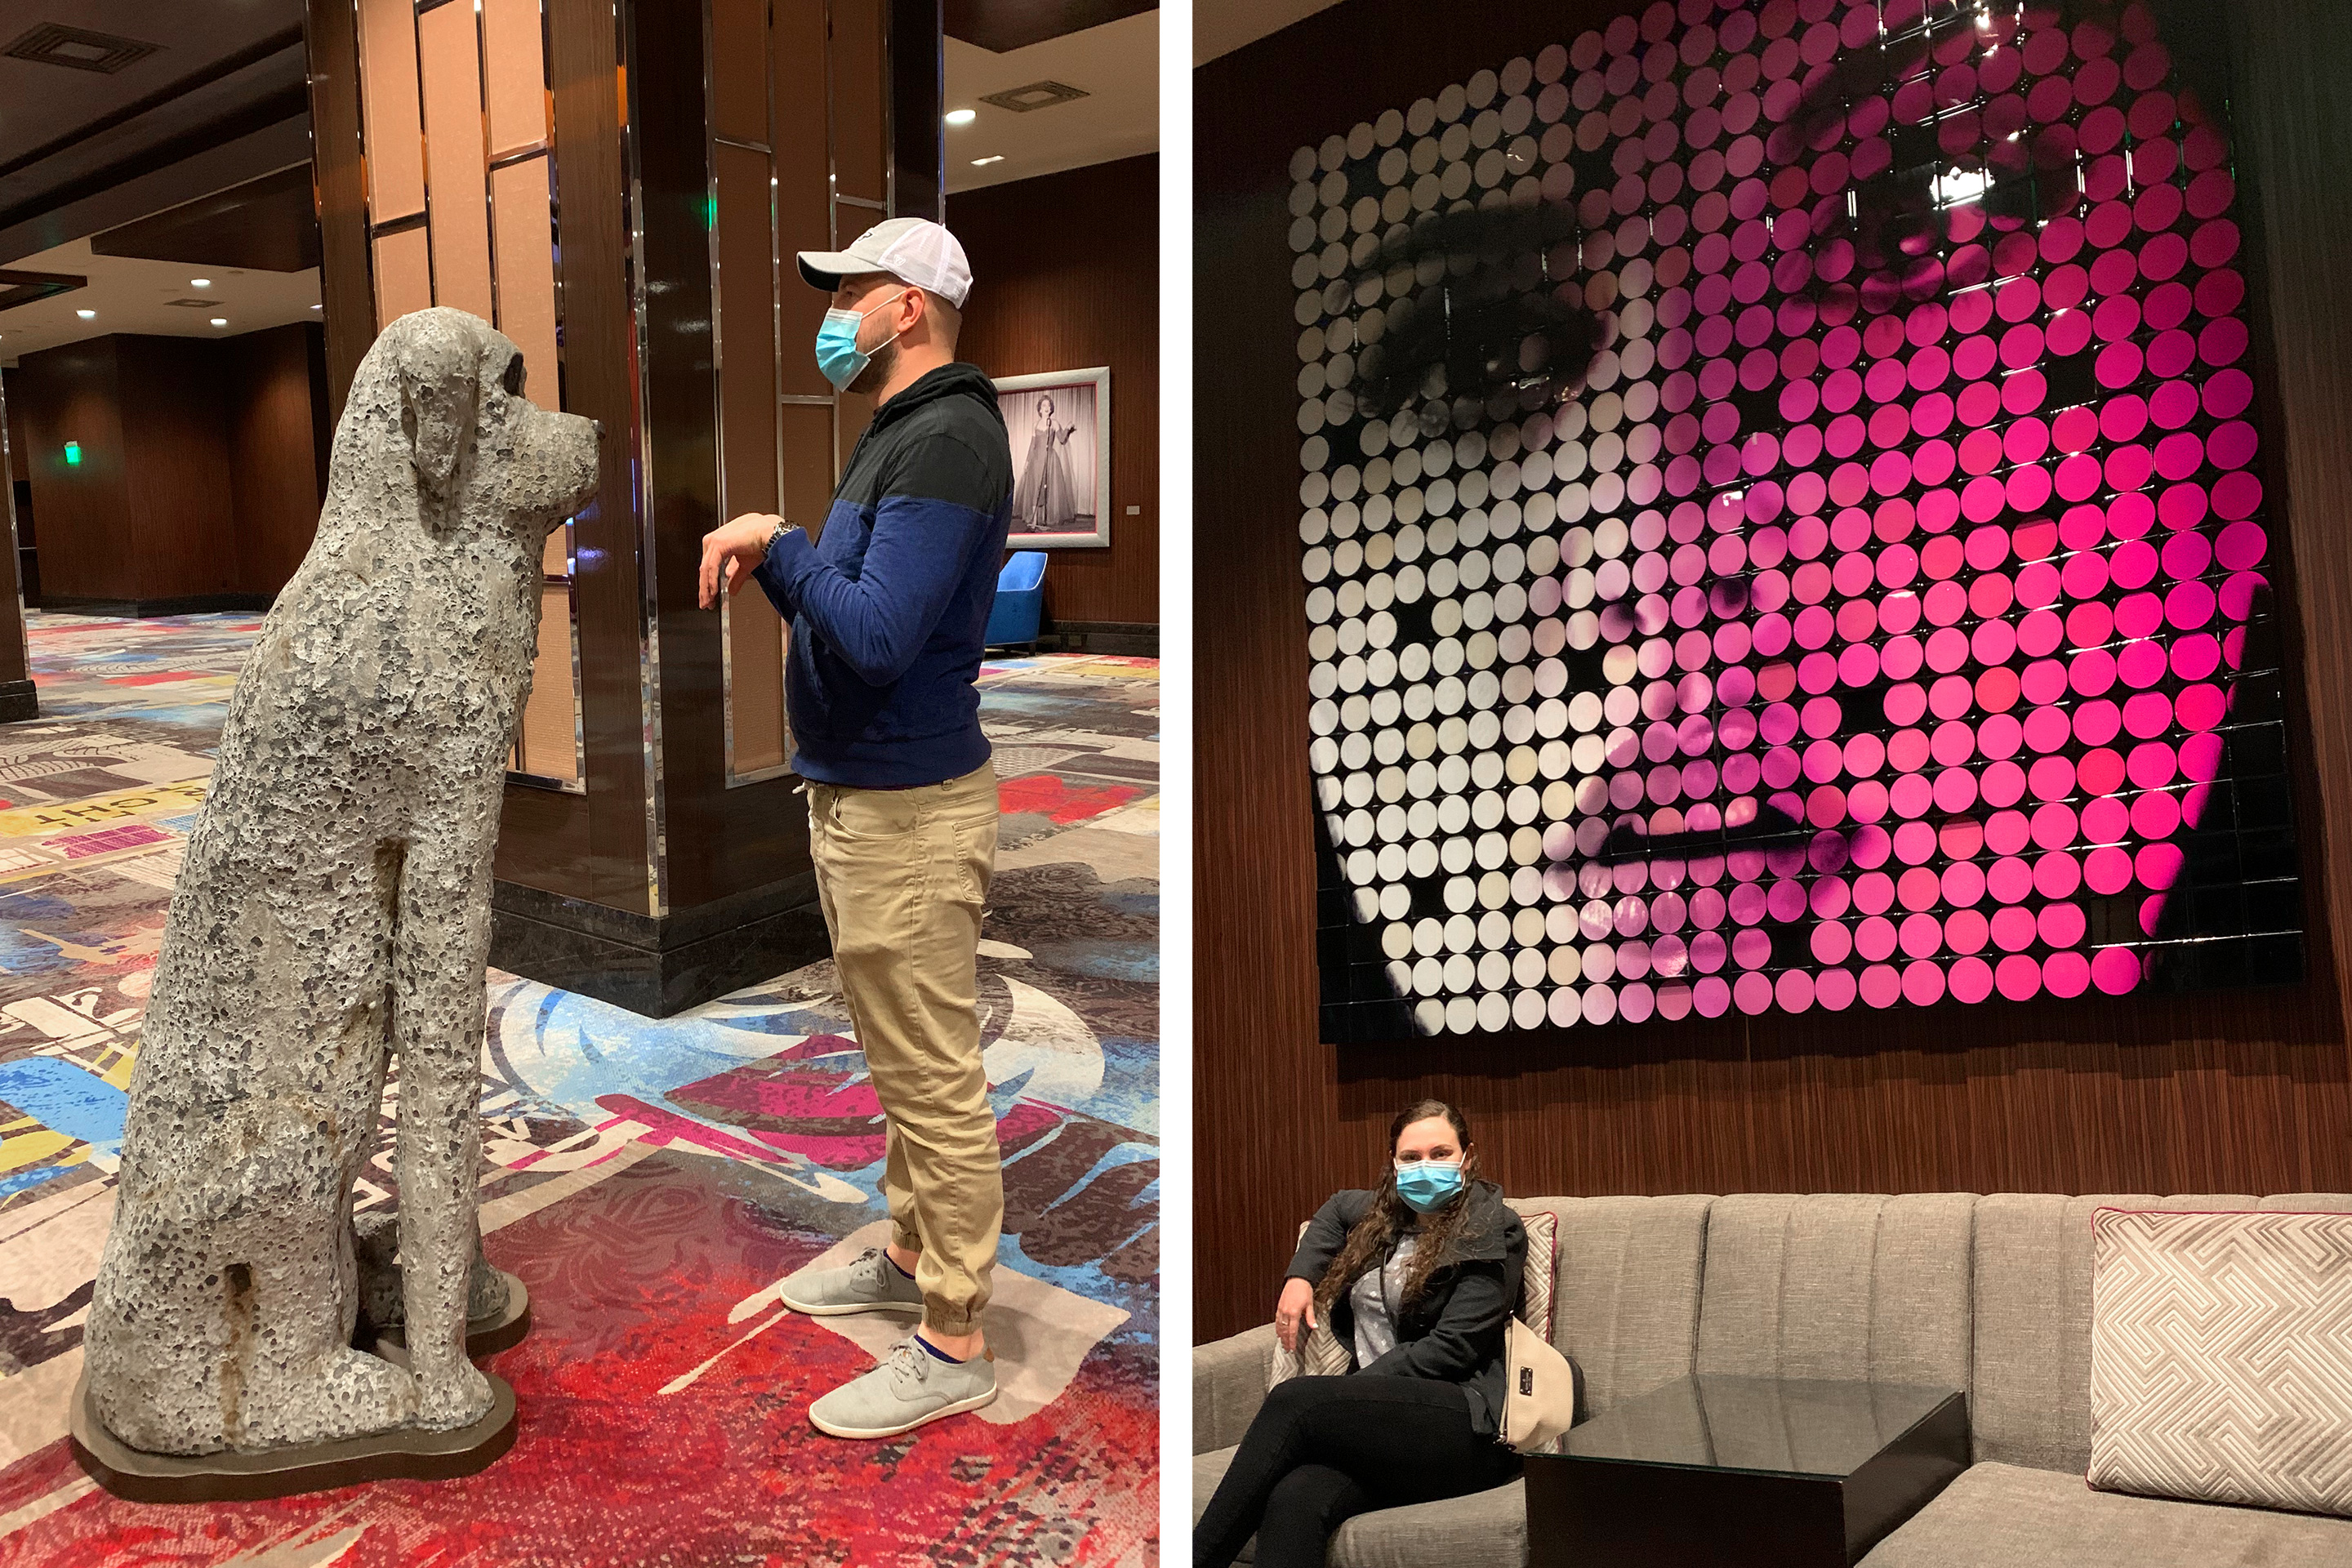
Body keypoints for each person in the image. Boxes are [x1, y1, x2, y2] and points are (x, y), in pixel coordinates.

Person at [696, 216, 1013, 1441]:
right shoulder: (908, 433)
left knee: (932, 1077)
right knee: (898, 1056)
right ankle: (907, 1249)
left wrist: (779, 543)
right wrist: (785, 558)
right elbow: (858, 614)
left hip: (908, 814)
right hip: (870, 799)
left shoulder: (944, 438)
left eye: (854, 292)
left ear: (911, 310)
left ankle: (955, 1338)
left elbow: (876, 635)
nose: (836, 313)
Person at [1194, 1099, 1526, 1568]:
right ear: (1394, 1163)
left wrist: (1343, 1393)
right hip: (1379, 1427)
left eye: (1440, 1153)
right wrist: (1300, 1278)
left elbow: (1455, 1348)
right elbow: (1333, 1209)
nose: (1425, 1166)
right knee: (1295, 1497)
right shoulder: (1383, 1217)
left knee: (1297, 1401)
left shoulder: (1493, 1227)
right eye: (1411, 1157)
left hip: (1461, 1423)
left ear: (1467, 1158)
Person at [1010, 393, 1078, 533]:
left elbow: (1061, 439)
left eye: (1048, 405)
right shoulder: (1036, 424)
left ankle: (1045, 520)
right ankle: (1034, 522)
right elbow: (1032, 445)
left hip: (1050, 460)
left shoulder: (1054, 423)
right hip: (1036, 460)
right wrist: (1028, 461)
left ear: (1051, 409)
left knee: (1047, 490)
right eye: (1044, 405)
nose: (1046, 407)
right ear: (1040, 409)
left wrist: (1068, 428)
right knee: (1035, 488)